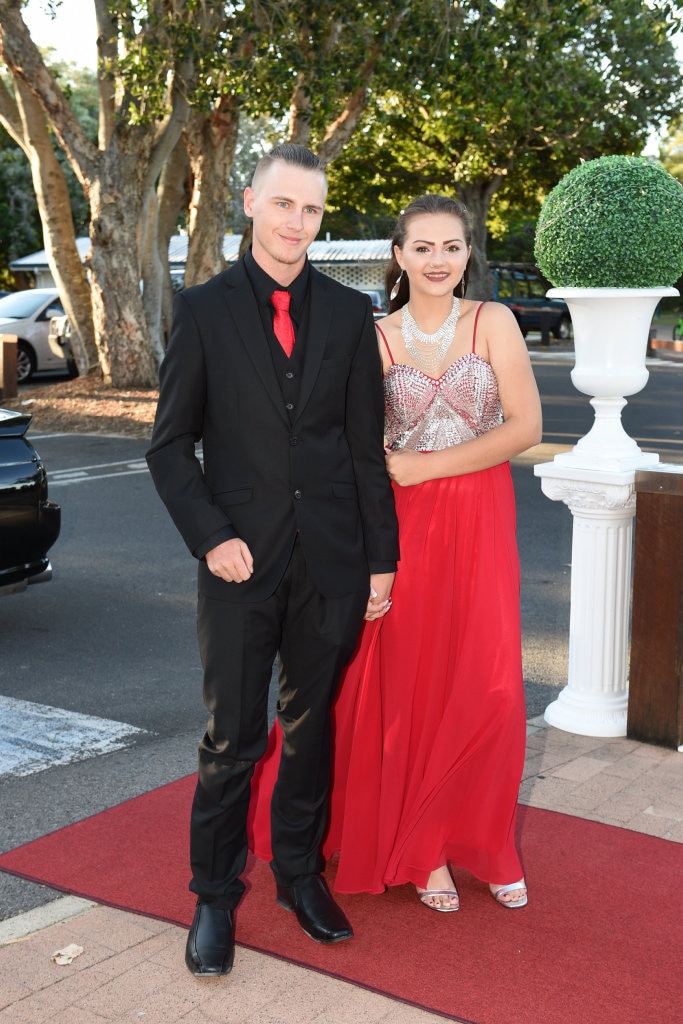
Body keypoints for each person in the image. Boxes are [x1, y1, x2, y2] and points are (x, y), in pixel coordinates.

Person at [146, 144, 399, 977]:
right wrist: (212, 536)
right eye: (284, 204)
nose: (297, 222)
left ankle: (298, 875)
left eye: (312, 210)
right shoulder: (204, 309)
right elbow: (171, 446)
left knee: (310, 727)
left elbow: (364, 449)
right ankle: (214, 896)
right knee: (231, 738)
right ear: (250, 202)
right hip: (235, 565)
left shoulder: (347, 312)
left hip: (331, 562)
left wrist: (380, 561)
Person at [249, 193, 542, 913]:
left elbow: (526, 427)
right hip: (397, 530)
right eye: (423, 247)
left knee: (489, 688)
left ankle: (487, 842)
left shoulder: (492, 320)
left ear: (467, 253)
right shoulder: (370, 336)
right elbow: (344, 443)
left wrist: (422, 467)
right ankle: (422, 850)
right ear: (398, 254)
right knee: (406, 691)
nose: (438, 261)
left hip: (478, 523)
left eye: (451, 247)